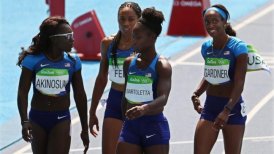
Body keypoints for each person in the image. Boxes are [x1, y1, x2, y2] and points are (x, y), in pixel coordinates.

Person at [17, 16, 89, 154]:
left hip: (60, 119)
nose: (72, 39)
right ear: (54, 39)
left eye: (72, 35)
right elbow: (22, 93)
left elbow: (80, 95)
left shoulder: (73, 62)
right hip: (37, 119)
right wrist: (24, 121)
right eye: (67, 36)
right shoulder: (32, 61)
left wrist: (84, 129)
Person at [191, 4, 248, 154]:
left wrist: (226, 110)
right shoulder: (206, 48)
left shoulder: (238, 47)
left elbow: (239, 83)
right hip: (211, 106)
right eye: (207, 22)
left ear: (224, 22)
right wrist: (196, 94)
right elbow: (211, 75)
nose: (210, 25)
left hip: (232, 108)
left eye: (215, 20)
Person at [116, 7, 172, 154]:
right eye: (133, 36)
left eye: (138, 37)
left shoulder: (162, 65)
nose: (133, 41)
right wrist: (125, 121)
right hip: (130, 127)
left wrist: (144, 109)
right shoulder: (128, 63)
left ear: (152, 37)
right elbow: (125, 97)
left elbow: (163, 98)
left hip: (153, 126)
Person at [88, 2, 141, 154]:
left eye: (131, 19)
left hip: (137, 102)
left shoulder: (143, 45)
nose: (126, 23)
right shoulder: (108, 43)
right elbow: (101, 78)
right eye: (122, 19)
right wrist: (92, 112)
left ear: (139, 19)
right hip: (115, 100)